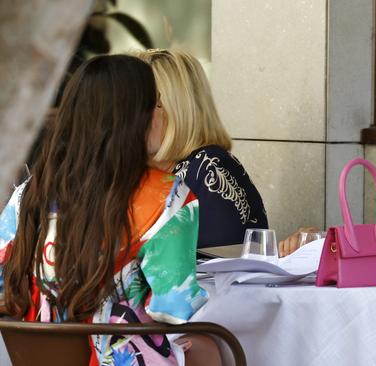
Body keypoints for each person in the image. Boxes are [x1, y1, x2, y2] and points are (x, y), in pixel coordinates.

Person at [0, 55, 218, 365]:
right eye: (156, 103)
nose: (163, 113)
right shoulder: (169, 198)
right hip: (121, 359)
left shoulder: (29, 195)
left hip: (36, 357)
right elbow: (175, 308)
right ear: (134, 117)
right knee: (209, 343)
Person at [135, 49, 268, 249]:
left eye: (144, 104)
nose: (131, 116)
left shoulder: (206, 168)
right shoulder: (137, 173)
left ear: (175, 108)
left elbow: (212, 271)